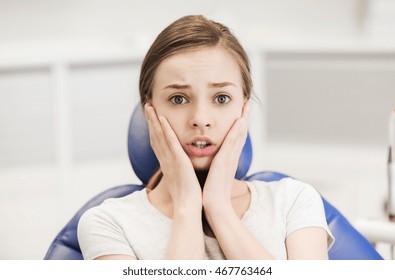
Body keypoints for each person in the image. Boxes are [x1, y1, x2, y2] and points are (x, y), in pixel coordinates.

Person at [77, 15, 334, 260]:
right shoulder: (108, 223)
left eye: (221, 98)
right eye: (178, 99)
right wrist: (187, 207)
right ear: (150, 112)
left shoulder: (293, 200)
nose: (200, 118)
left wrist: (219, 208)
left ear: (244, 108)